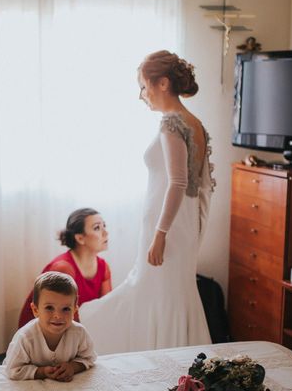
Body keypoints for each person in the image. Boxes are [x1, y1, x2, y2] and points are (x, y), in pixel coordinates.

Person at [79, 50, 215, 355]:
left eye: (143, 86)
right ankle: (170, 355)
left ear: (162, 83)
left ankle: (151, 358)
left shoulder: (172, 123)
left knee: (154, 293)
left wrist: (160, 234)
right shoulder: (195, 122)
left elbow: (178, 183)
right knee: (165, 294)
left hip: (167, 228)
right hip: (179, 225)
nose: (142, 95)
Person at [17, 208, 111, 328]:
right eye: (97, 228)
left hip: (74, 327)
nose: (106, 233)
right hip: (43, 332)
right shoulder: (64, 269)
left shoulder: (103, 267)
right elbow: (62, 315)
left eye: (104, 226)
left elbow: (106, 307)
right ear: (80, 238)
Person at [4, 271, 97, 381]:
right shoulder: (26, 337)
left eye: (66, 309)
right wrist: (41, 372)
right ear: (36, 310)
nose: (58, 316)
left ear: (74, 311)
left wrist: (72, 367)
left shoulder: (79, 333)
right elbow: (12, 370)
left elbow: (89, 358)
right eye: (49, 308)